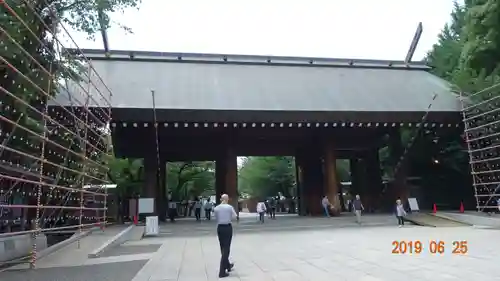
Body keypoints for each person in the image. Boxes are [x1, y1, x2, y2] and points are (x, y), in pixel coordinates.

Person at [214, 194, 236, 278]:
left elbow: (216, 217)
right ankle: (222, 272)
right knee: (226, 248)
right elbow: (234, 216)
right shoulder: (229, 207)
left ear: (221, 199)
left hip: (220, 228)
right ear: (227, 199)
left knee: (222, 246)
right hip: (227, 227)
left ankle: (227, 265)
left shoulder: (216, 208)